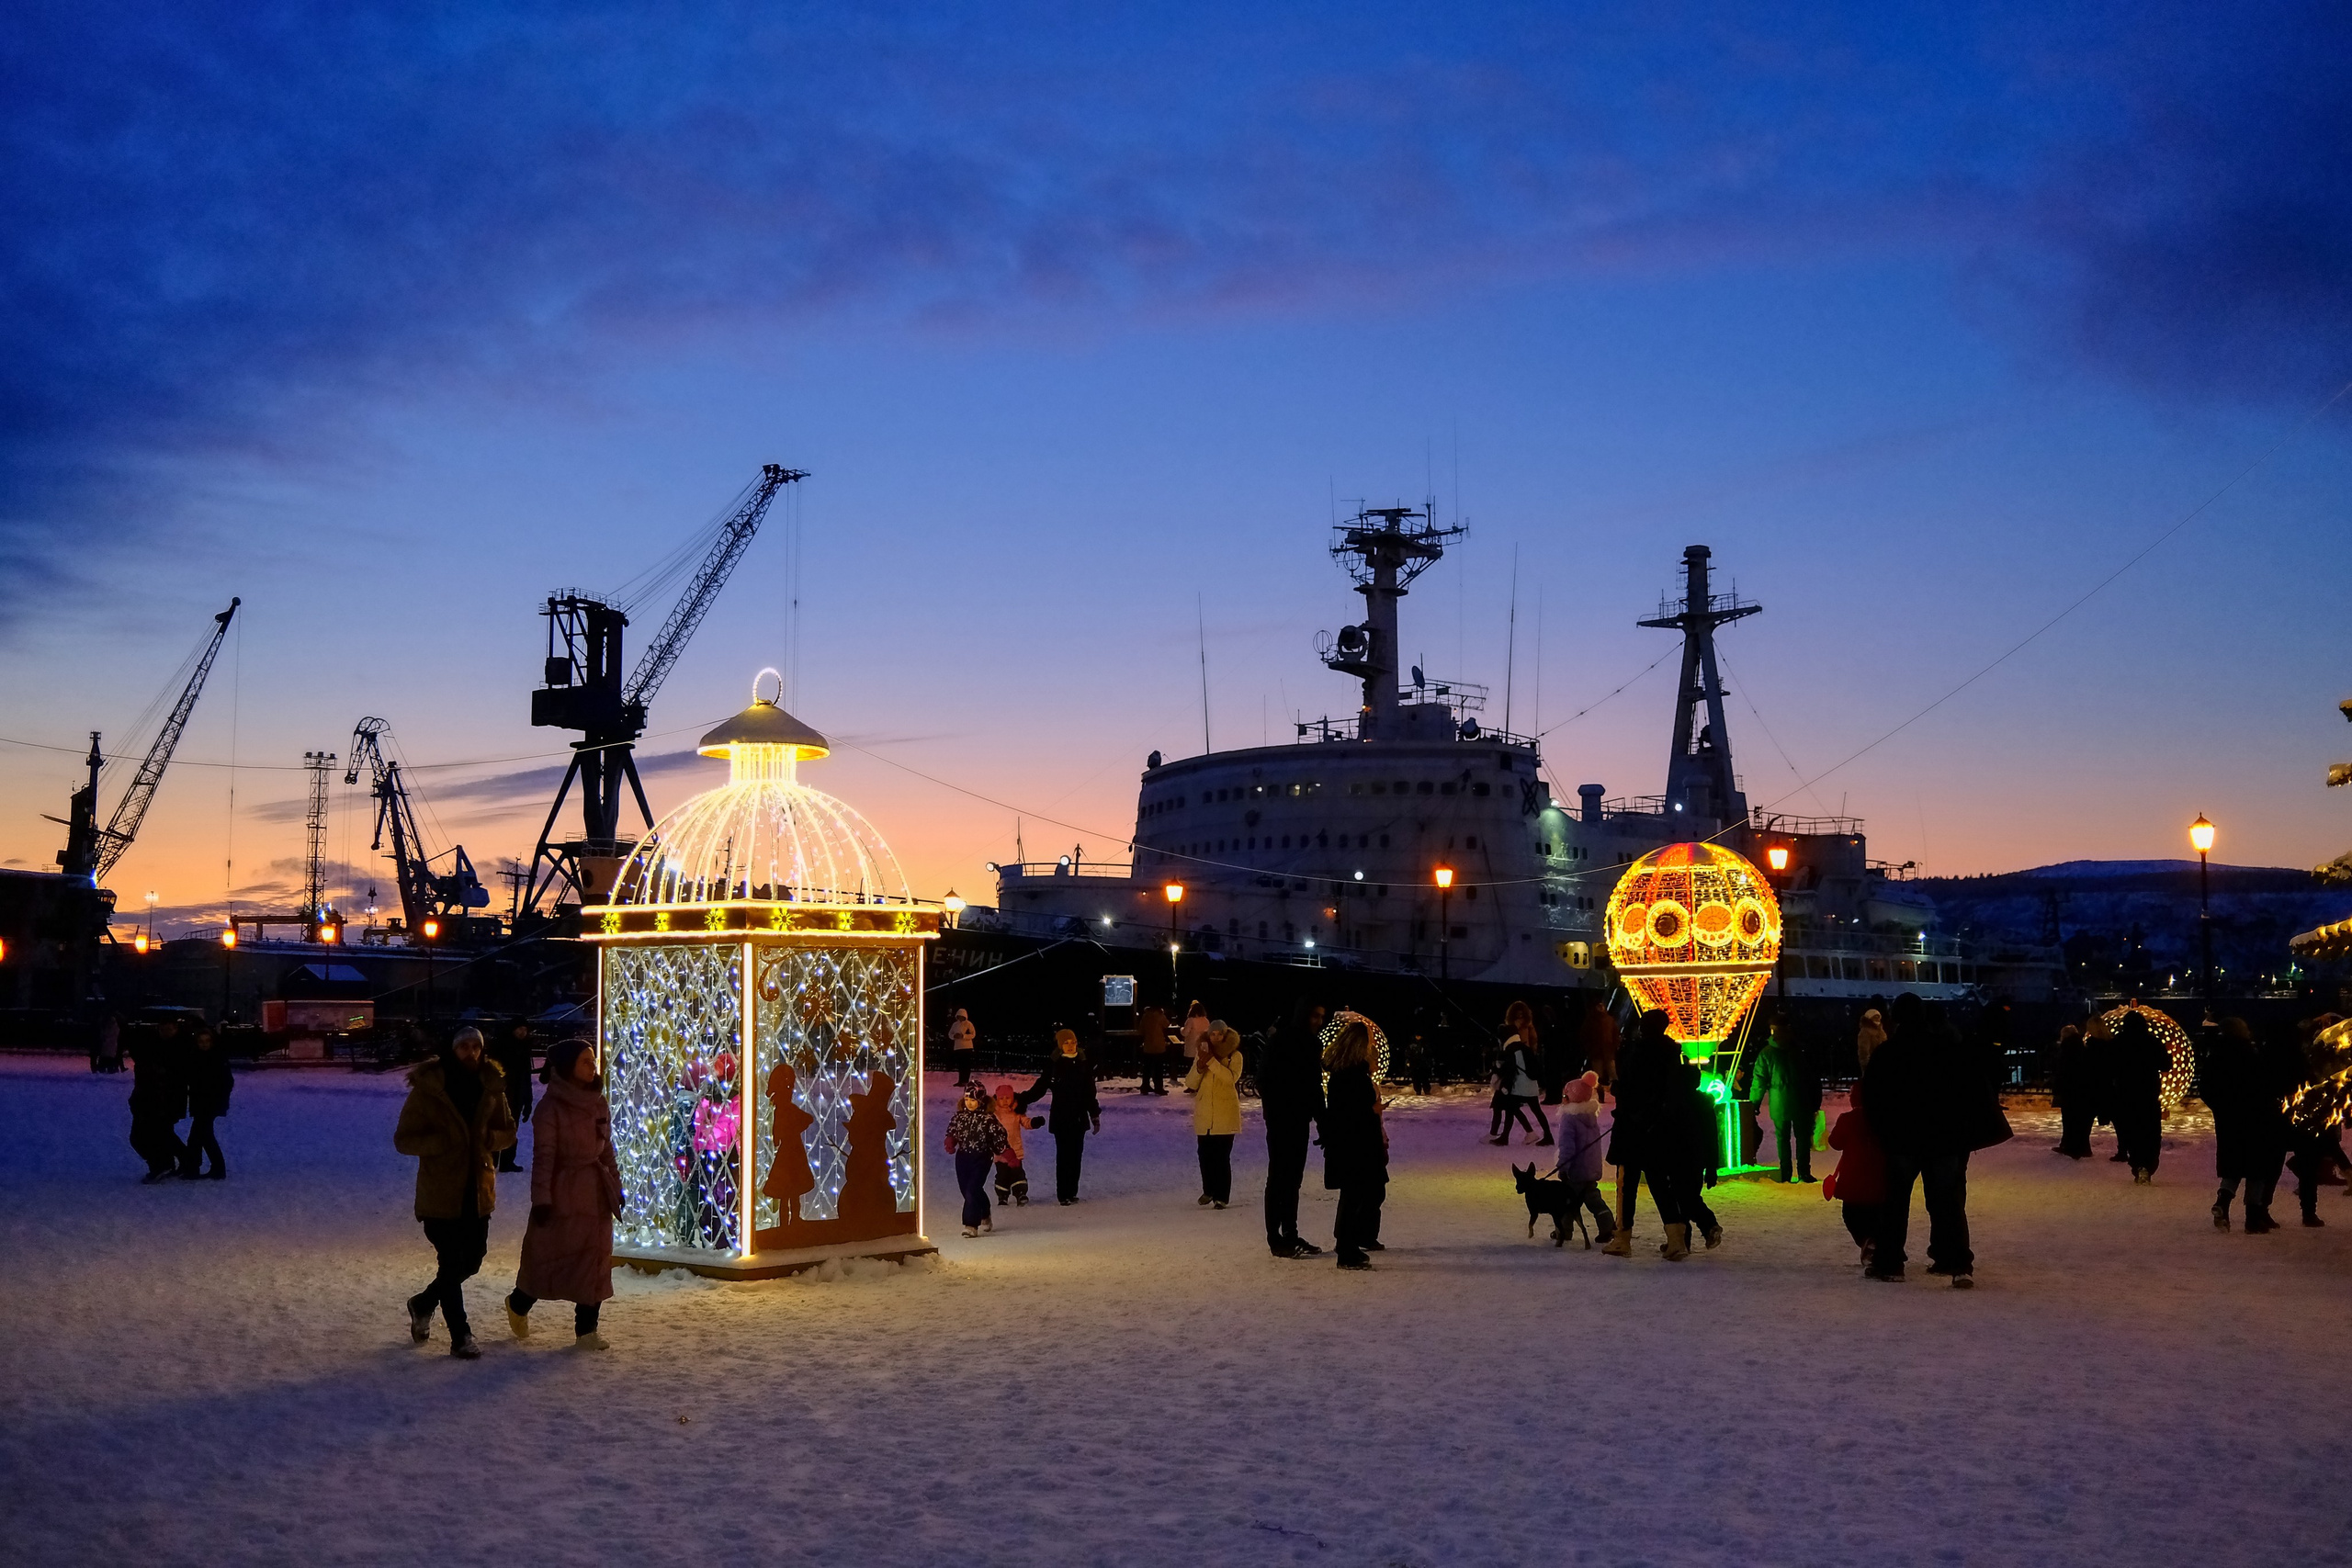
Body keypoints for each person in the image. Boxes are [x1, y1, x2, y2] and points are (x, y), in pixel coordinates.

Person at [1861, 995, 2005, 1287]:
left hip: (1902, 1139)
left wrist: (1884, 1134)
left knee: (1896, 1202)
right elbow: (1966, 1091)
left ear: (1896, 1017)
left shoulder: (1888, 1053)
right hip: (1943, 1139)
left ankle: (1890, 1263)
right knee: (1948, 1203)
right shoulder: (1947, 1049)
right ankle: (1958, 1263)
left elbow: (1873, 1099)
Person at [394, 1026, 517, 1358]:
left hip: (478, 1191)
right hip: (440, 1192)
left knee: (472, 1261)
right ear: (452, 1050)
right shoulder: (430, 1089)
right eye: (464, 1047)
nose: (471, 1053)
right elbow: (403, 1139)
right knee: (450, 1261)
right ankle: (461, 1336)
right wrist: (439, 1144)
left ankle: (422, 1302)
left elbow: (508, 1131)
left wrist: (493, 1140)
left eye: (476, 1046)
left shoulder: (491, 1086)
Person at [504, 1039, 620, 1348]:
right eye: (585, 1061)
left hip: (595, 1193)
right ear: (568, 1066)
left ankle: (587, 1331)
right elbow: (545, 1157)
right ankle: (519, 1303)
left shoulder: (598, 1101)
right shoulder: (550, 1108)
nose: (592, 1066)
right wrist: (542, 1200)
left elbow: (605, 1148)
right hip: (563, 1192)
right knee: (549, 1259)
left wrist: (615, 1185)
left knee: (595, 1260)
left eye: (593, 1060)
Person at [1602, 1012, 1683, 1258]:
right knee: (1660, 1184)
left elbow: (1630, 1087)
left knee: (1626, 1186)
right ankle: (1676, 1237)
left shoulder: (1637, 1052)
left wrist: (1617, 1089)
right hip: (1659, 1128)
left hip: (1632, 1128)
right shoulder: (1671, 1054)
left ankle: (1622, 1238)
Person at [1259, 998, 1326, 1257]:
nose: (1319, 1022)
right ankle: (1276, 1238)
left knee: (1293, 1179)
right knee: (1278, 1178)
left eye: (1321, 1017)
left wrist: (1322, 1121)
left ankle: (1290, 1233)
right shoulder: (1281, 1041)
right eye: (1315, 1016)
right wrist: (1277, 1110)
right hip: (1281, 1120)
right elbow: (1264, 1079)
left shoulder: (1312, 1043)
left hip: (1299, 1119)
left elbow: (1314, 1087)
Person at [1321, 1018, 1387, 1270]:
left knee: (1352, 1195)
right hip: (1356, 1143)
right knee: (1354, 1195)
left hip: (1347, 1142)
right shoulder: (1354, 1074)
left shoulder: (1341, 1072)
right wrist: (1372, 1109)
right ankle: (1347, 1251)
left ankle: (1347, 1245)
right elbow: (1356, 1109)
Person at [1016, 1029, 1102, 1204]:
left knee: (1076, 1156)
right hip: (1061, 1117)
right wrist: (1021, 1099)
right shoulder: (1054, 1063)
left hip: (1079, 1118)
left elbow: (1089, 1093)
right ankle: (1063, 1194)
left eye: (1073, 1042)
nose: (1070, 1046)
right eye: (1066, 1043)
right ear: (1060, 1045)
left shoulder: (1083, 1063)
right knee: (1063, 1156)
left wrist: (1094, 1115)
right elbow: (1040, 1088)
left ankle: (1072, 1192)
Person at [1824, 1083, 1889, 1269]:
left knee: (1851, 1215)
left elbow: (1835, 1142)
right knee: (1877, 1216)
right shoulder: (1883, 1118)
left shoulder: (1847, 1119)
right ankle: (1875, 1244)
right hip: (1879, 1179)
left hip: (1853, 1179)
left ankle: (1866, 1241)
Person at [1747, 1021, 1821, 1182]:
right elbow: (1814, 1078)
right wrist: (1816, 1102)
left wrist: (1754, 1103)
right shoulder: (1799, 1051)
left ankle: (1786, 1173)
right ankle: (1804, 1172)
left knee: (1783, 1138)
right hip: (1802, 1100)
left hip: (1779, 1102)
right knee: (1802, 1138)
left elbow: (1759, 1081)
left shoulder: (1766, 1053)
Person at [1185, 1021, 1246, 1208]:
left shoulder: (1234, 1056)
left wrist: (1211, 1061)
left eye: (1220, 1034)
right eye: (1213, 1034)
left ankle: (1221, 1196)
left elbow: (1230, 1079)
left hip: (1225, 1114)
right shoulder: (1202, 1054)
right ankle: (1208, 1190)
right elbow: (1191, 1083)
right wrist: (1200, 1067)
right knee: (1204, 1155)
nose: (1216, 1038)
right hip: (1205, 1113)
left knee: (1221, 1157)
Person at [1552, 1071, 1615, 1245]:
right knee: (1593, 1199)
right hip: (1591, 1167)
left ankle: (1564, 1231)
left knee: (1567, 1201)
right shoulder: (1590, 1116)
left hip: (1576, 1170)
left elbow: (1567, 1147)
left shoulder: (1569, 1119)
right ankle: (1607, 1226)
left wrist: (1563, 1167)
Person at [943, 1082, 1010, 1236]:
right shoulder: (959, 1117)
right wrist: (951, 1141)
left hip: (982, 1157)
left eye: (973, 1100)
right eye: (967, 1100)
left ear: (981, 1101)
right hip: (963, 1157)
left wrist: (1007, 1153)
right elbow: (952, 1130)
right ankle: (984, 1212)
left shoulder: (988, 1119)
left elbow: (998, 1138)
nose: (969, 1103)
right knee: (967, 1189)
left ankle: (971, 1225)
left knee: (973, 1188)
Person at [2110, 1011, 2169, 1182]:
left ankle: (2137, 1163)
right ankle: (2147, 1164)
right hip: (2148, 1092)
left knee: (2130, 1130)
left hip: (2125, 1092)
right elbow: (2166, 1064)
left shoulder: (2118, 1042)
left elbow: (2109, 1065)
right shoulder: (2152, 1041)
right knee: (2149, 1130)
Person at [128, 1017, 188, 1183]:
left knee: (155, 1135)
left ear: (176, 1029)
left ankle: (163, 1164)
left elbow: (176, 1079)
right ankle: (173, 1163)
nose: (165, 1032)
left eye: (169, 1028)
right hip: (149, 1100)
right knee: (159, 1135)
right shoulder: (154, 1047)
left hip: (164, 1101)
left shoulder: (179, 1048)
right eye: (163, 1028)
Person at [1489, 1004, 1552, 1146]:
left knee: (1511, 1109)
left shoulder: (1511, 1050)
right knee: (1537, 1111)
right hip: (1531, 1084)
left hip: (1520, 1085)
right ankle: (1548, 1136)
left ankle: (1504, 1138)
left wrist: (1506, 1086)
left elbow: (1511, 1070)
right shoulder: (1525, 1048)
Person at [178, 1028, 232, 1179]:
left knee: (201, 1136)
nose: (204, 1044)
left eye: (207, 1041)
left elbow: (227, 1082)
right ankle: (204, 1168)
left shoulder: (217, 1058)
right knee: (201, 1136)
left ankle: (204, 1168)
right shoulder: (195, 1057)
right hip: (200, 1102)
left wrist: (220, 1099)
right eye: (201, 1041)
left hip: (210, 1103)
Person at [989, 1081, 1043, 1205]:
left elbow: (1025, 1122)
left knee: (1018, 1173)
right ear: (996, 1099)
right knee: (1002, 1175)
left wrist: (1034, 1122)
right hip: (1000, 1152)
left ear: (1012, 1098)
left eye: (1008, 1098)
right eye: (1001, 1098)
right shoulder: (993, 1114)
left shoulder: (1016, 1112)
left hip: (1015, 1150)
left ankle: (1020, 1193)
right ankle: (1002, 1195)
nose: (1005, 1101)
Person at [493, 1021, 536, 1172]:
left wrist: (528, 1101)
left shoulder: (524, 1048)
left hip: (517, 1094)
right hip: (502, 1092)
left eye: (525, 1030)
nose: (522, 1032)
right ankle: (492, 1160)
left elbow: (526, 1076)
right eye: (520, 1029)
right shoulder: (502, 1046)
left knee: (512, 1128)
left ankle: (507, 1161)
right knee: (496, 1126)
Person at [2050, 1023, 2095, 1158]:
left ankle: (2071, 1147)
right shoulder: (2083, 1049)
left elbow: (2062, 1072)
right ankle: (2083, 1147)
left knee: (2069, 1119)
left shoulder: (2066, 1050)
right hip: (2083, 1089)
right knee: (2081, 1120)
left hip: (2069, 1090)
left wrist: (2057, 1088)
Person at [1581, 1000, 1621, 1093]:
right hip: (1599, 1051)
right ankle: (1601, 1091)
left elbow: (1615, 1034)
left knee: (1611, 1073)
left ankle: (1612, 1091)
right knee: (1599, 1075)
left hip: (1606, 1050)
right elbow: (1584, 1035)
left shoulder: (1607, 1020)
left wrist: (1614, 1045)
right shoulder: (1594, 1020)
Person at [1135, 1002, 1170, 1095]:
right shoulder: (1160, 1015)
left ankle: (1145, 1086)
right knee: (1158, 1068)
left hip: (1148, 1045)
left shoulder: (1145, 1016)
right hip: (1158, 1045)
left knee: (1147, 1068)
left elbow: (1141, 1030)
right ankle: (1158, 1088)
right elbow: (1166, 1024)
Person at [1179, 1001, 1212, 1081]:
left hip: (1192, 1045)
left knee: (1191, 1066)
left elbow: (1185, 1033)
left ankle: (1191, 1084)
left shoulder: (1191, 1020)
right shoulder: (1206, 1020)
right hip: (1202, 1046)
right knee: (1200, 1066)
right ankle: (1199, 1083)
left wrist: (1181, 1029)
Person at [949, 1008, 978, 1086]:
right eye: (959, 1016)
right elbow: (950, 1034)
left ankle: (965, 1081)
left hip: (967, 1047)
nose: (960, 1018)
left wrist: (963, 1036)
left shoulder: (969, 1024)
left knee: (966, 1065)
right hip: (958, 1047)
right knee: (960, 1065)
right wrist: (954, 1036)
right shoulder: (955, 1025)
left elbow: (973, 1034)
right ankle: (960, 1081)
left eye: (962, 1016)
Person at [1854, 1009, 1887, 1074]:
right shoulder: (1865, 1032)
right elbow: (1863, 1052)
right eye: (1875, 1017)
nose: (1877, 1019)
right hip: (1872, 1067)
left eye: (1878, 1017)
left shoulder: (1881, 1031)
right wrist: (1867, 1067)